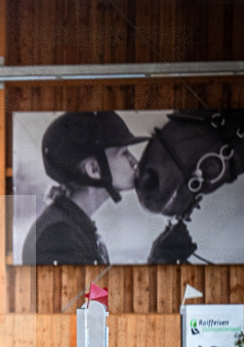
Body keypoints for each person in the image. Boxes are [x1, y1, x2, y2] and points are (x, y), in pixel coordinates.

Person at [22, 111, 149, 265]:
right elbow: (85, 289)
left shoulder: (70, 227)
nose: (134, 161)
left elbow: (93, 287)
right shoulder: (59, 236)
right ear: (94, 169)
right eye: (124, 153)